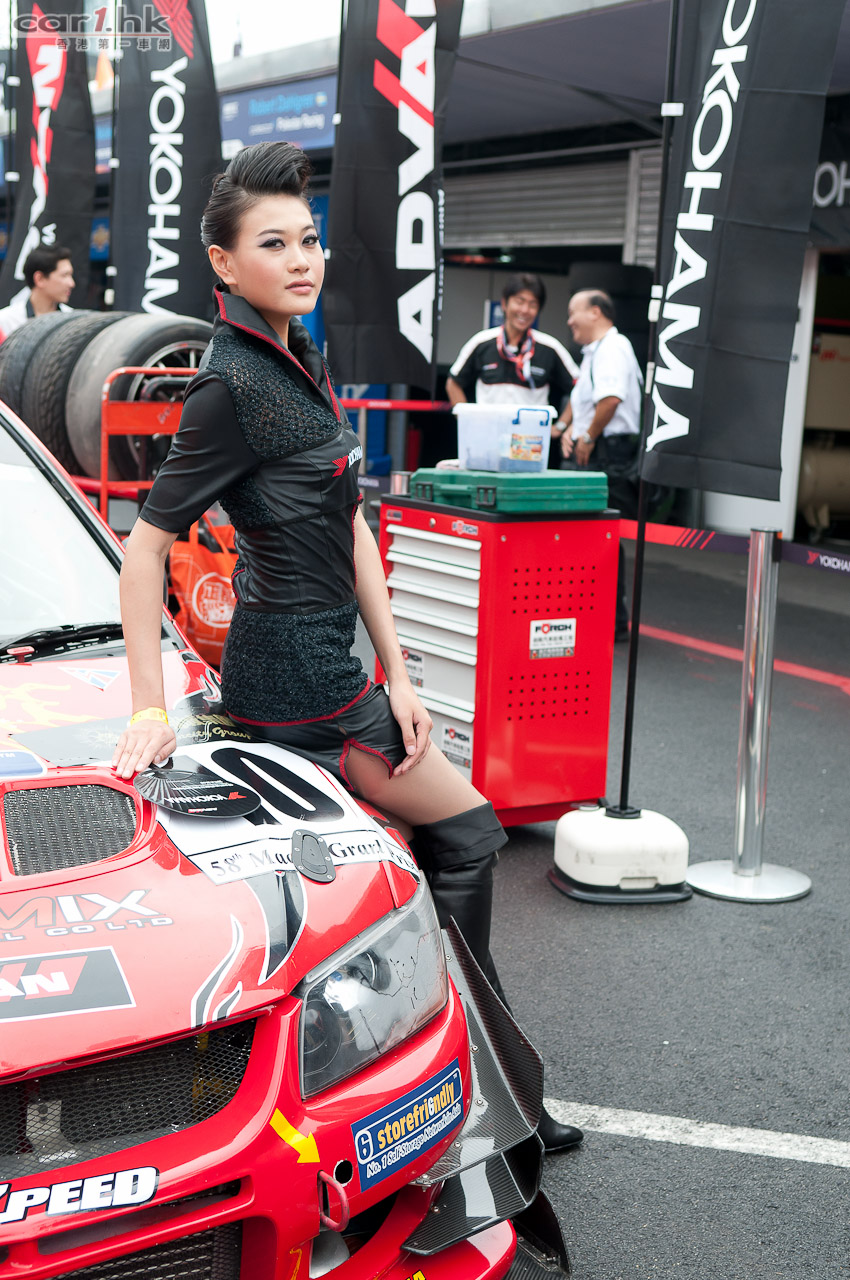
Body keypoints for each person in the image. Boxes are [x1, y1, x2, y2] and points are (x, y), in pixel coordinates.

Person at [110, 141, 581, 1153]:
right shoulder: (229, 384)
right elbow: (143, 550)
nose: (301, 259)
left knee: (388, 869)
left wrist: (400, 674)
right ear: (223, 263)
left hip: (335, 674)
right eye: (273, 243)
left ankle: (464, 1082)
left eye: (309, 240)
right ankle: (489, 1088)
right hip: (294, 685)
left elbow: (352, 521)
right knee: (463, 834)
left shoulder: (302, 358)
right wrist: (150, 707)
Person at [558, 289, 642, 639]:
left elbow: (610, 400)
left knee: (601, 534)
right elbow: (584, 399)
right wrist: (566, 427)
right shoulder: (596, 351)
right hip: (596, 449)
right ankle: (594, 613)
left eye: (573, 312)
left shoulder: (613, 348)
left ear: (595, 312)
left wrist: (588, 436)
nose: (569, 321)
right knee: (587, 533)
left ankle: (611, 620)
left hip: (607, 452)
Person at [446, 273, 577, 447]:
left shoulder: (550, 347)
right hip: (487, 438)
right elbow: (453, 383)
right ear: (504, 304)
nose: (525, 310)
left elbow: (580, 387)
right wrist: (468, 421)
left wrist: (560, 426)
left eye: (532, 304)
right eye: (519, 301)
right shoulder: (481, 342)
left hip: (530, 444)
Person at [0, 245, 75, 343]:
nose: (71, 283)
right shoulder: (6, 321)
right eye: (64, 275)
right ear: (39, 279)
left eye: (71, 275)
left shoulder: (73, 320)